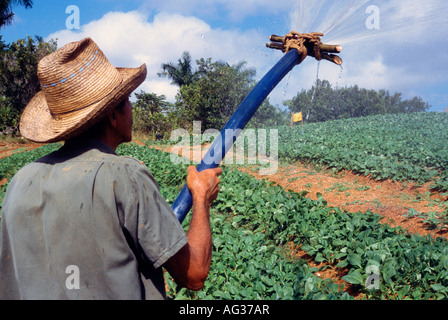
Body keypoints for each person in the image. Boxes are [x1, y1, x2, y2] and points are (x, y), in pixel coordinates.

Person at [0, 38, 222, 300]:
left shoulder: (19, 181)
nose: (132, 108)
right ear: (112, 116)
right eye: (127, 100)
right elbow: (193, 274)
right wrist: (201, 196)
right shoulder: (125, 176)